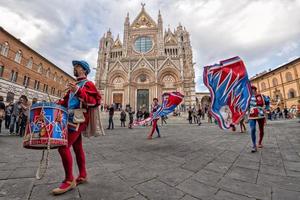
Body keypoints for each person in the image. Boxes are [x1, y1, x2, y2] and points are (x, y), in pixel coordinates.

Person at [52, 60, 101, 195]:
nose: (75, 68)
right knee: (77, 147)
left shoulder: (88, 84)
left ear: (84, 70)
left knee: (63, 146)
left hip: (79, 118)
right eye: (74, 67)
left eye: (78, 67)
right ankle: (83, 175)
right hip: (70, 117)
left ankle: (69, 180)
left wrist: (78, 91)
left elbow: (94, 101)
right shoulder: (75, 85)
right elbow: (66, 102)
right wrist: (58, 103)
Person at [248, 85, 269, 153]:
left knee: (261, 129)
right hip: (252, 114)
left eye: (252, 89)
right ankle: (254, 145)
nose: (251, 90)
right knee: (252, 129)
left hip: (260, 114)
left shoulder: (262, 96)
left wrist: (267, 109)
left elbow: (267, 101)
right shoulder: (248, 97)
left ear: (255, 89)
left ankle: (259, 142)